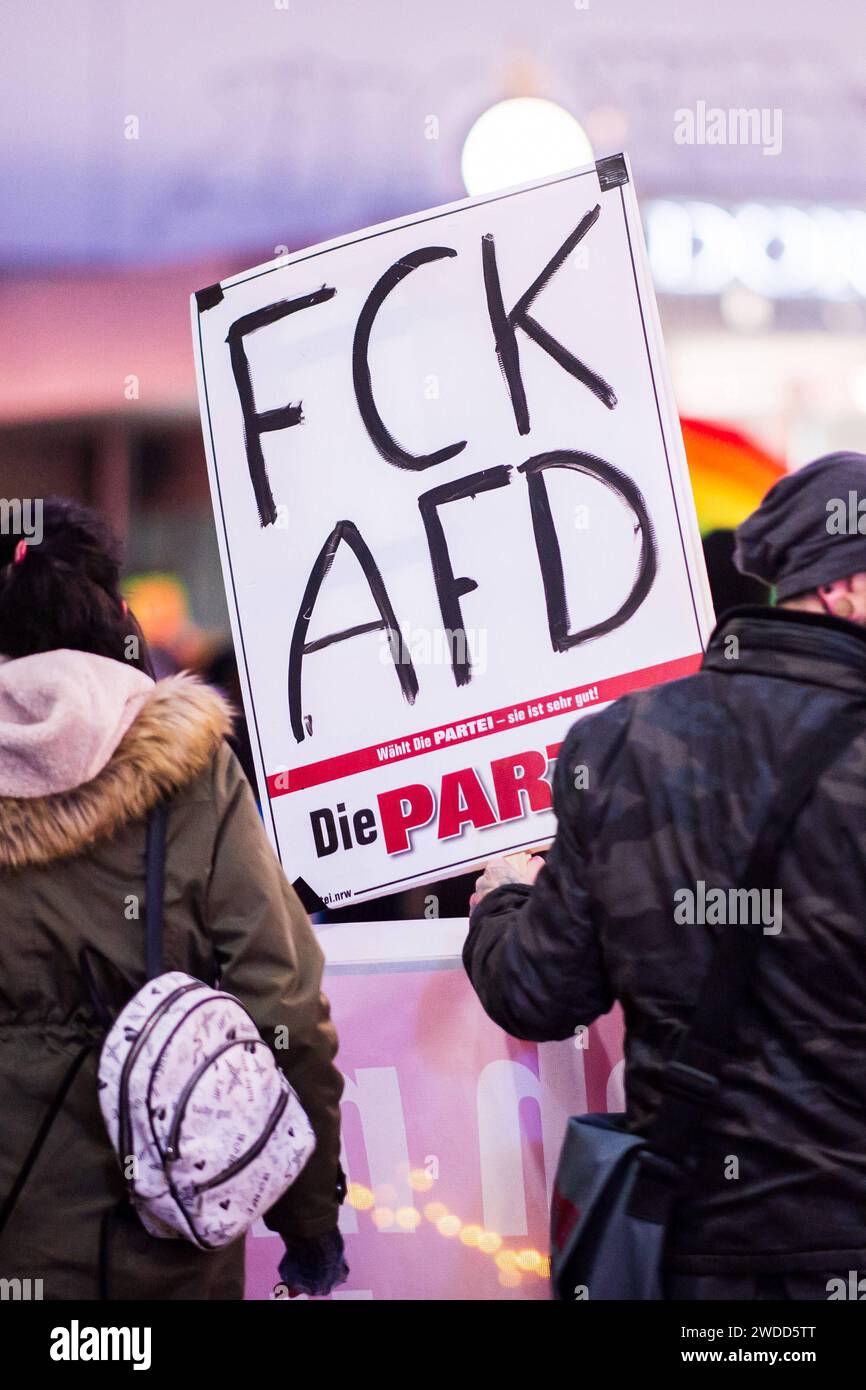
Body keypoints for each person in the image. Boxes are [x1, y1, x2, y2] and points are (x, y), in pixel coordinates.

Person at [464, 451, 866, 1300]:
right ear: (843, 588)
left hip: (690, 1251)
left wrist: (504, 896)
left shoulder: (622, 743)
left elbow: (536, 992)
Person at [0, 498, 346, 1300]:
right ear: (112, 615)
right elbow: (281, 1000)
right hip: (160, 1251)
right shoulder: (190, 768)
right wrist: (308, 1216)